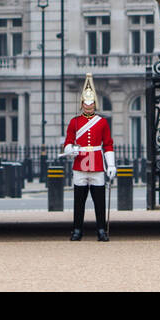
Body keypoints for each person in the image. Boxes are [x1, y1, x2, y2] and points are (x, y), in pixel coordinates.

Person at [62, 72, 115, 241]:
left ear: (95, 104)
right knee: (79, 200)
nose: (89, 106)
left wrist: (111, 165)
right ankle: (77, 229)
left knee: (99, 200)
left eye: (91, 103)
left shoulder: (102, 122)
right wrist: (71, 150)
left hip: (97, 163)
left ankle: (101, 229)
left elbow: (107, 144)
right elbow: (68, 142)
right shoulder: (74, 122)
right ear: (82, 104)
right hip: (80, 163)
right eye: (86, 103)